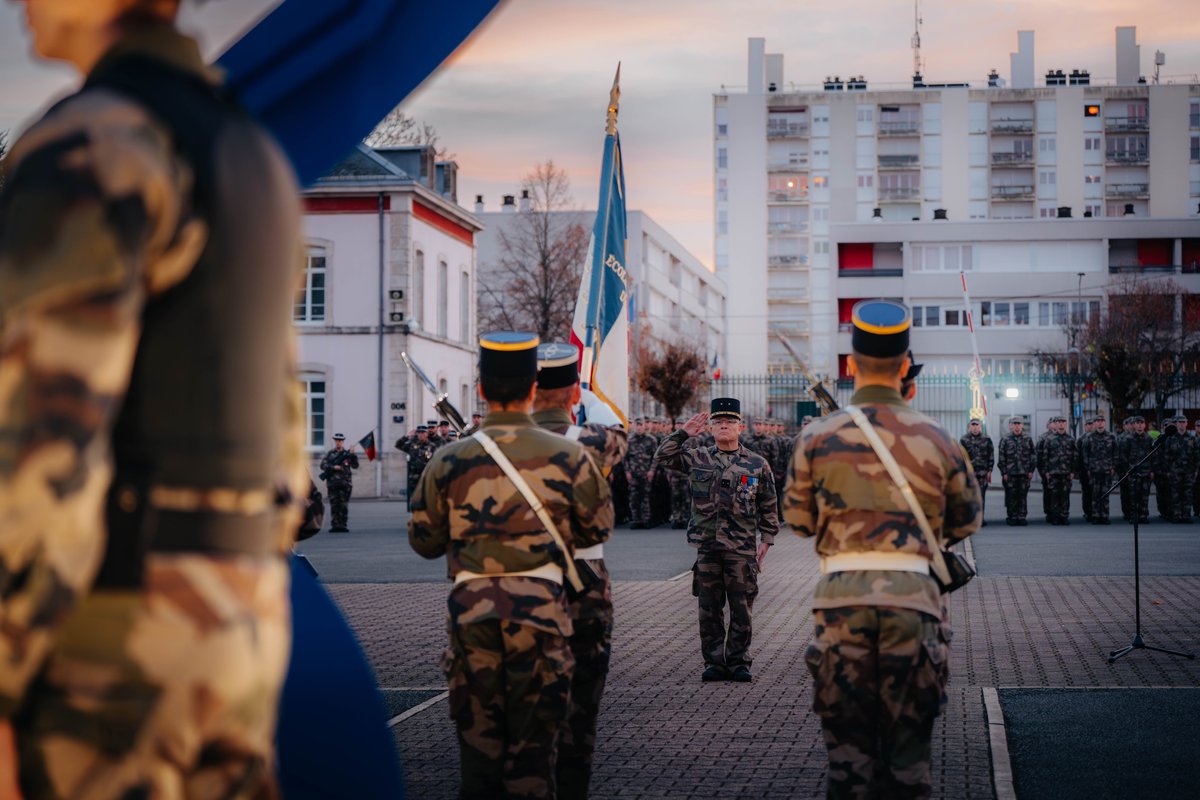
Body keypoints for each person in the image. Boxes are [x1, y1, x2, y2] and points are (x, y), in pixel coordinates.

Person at [0, 1, 306, 795]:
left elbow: (41, 440)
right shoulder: (253, 154)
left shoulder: (94, 141)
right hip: (239, 622)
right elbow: (285, 434)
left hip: (112, 631)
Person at [782, 299, 982, 798]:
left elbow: (799, 522)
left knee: (849, 767)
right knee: (908, 765)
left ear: (851, 365)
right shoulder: (939, 438)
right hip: (914, 601)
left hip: (841, 602)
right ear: (904, 365)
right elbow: (966, 521)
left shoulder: (817, 436)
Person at [409, 332, 612, 800]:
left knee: (479, 757)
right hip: (540, 612)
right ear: (532, 388)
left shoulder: (449, 459)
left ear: (481, 389)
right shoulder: (571, 456)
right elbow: (595, 532)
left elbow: (424, 542)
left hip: (471, 614)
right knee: (533, 755)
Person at [531, 342, 628, 799]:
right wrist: (588, 399)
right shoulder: (592, 444)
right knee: (579, 714)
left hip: (510, 589)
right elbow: (619, 436)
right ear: (573, 393)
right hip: (581, 587)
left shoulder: (479, 446)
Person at [654, 398, 778, 682]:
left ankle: (738, 662)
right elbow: (663, 456)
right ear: (710, 428)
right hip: (707, 547)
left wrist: (767, 539)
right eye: (718, 421)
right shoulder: (698, 458)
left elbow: (769, 503)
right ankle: (713, 663)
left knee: (741, 609)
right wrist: (683, 433)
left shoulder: (757, 464)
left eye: (730, 421)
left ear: (740, 427)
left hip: (741, 548)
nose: (724, 425)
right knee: (708, 609)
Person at [1079, 414, 1117, 524]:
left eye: (1102, 421)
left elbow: (1115, 453)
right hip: (1094, 471)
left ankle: (1105, 516)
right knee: (1095, 495)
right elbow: (1085, 454)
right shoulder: (1089, 437)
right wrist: (1088, 468)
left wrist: (1113, 467)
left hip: (1107, 470)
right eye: (1097, 421)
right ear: (1095, 423)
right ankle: (1095, 515)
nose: (1100, 423)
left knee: (1105, 494)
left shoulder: (1111, 437)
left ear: (1105, 423)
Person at [998, 416, 1036, 526]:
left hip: (1024, 473)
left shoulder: (1027, 439)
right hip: (1010, 473)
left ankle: (1022, 516)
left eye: (1019, 424)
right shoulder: (1005, 439)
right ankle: (1012, 517)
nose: (1017, 426)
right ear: (1011, 426)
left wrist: (1031, 470)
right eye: (1015, 424)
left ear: (1022, 425)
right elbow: (1002, 457)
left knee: (1022, 496)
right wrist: (1004, 472)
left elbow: (1033, 455)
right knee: (1011, 496)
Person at [1039, 416, 1077, 525]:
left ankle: (1064, 516)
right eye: (1059, 422)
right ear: (1055, 424)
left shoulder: (1070, 439)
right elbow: (1045, 456)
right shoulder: (1049, 439)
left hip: (1066, 473)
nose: (1061, 424)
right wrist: (1046, 471)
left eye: (1063, 422)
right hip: (1053, 472)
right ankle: (1055, 517)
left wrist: (1073, 471)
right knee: (1054, 495)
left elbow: (1075, 456)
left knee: (1065, 495)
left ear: (1066, 424)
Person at [320, 433, 360, 532]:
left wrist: (352, 455)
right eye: (337, 440)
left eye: (340, 441)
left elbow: (355, 466)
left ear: (343, 442)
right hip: (333, 484)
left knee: (343, 505)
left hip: (345, 484)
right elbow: (322, 465)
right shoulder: (330, 454)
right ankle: (335, 525)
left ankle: (343, 525)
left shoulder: (348, 454)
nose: (338, 442)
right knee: (334, 505)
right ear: (335, 441)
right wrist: (333, 467)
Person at [960, 418, 995, 525]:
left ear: (980, 427)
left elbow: (991, 455)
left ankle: (980, 519)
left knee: (981, 497)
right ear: (969, 427)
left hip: (982, 474)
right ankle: (971, 520)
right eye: (973, 425)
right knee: (970, 497)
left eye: (977, 425)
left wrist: (990, 470)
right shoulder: (964, 439)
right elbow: (961, 456)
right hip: (969, 474)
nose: (975, 427)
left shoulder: (986, 439)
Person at [1118, 416, 1153, 524]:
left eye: (1142, 423)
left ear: (1144, 425)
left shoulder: (1149, 439)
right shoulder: (1128, 439)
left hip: (1146, 472)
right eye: (1137, 423)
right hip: (1133, 472)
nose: (1139, 425)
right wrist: (1127, 470)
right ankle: (1133, 516)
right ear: (1134, 425)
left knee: (1144, 495)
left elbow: (1153, 456)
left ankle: (1143, 516)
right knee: (1133, 496)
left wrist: (1152, 470)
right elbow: (1123, 456)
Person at [625, 417, 658, 529]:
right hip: (633, 474)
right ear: (634, 426)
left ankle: (645, 520)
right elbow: (625, 458)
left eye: (641, 425)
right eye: (637, 425)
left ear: (645, 426)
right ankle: (636, 520)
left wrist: (652, 470)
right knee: (634, 497)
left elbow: (655, 457)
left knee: (646, 497)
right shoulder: (629, 440)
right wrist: (627, 471)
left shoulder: (651, 440)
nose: (639, 427)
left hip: (646, 473)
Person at [396, 425, 436, 511]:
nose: (421, 435)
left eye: (423, 432)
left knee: (427, 497)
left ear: (427, 434)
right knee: (415, 499)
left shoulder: (432, 446)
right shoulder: (412, 445)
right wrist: (407, 436)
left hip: (426, 476)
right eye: (419, 433)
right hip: (414, 476)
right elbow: (398, 445)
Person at [1077, 417, 1096, 522]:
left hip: (1095, 470)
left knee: (1095, 492)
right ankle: (1087, 511)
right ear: (1085, 426)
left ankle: (1095, 511)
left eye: (1092, 424)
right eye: (1088, 424)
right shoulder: (1081, 439)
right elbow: (1078, 455)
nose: (1090, 426)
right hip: (1084, 471)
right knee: (1086, 492)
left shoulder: (1096, 437)